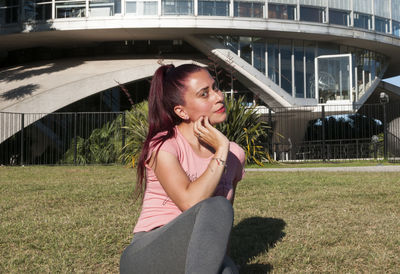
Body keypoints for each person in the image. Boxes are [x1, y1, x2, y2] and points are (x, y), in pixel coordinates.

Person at [120, 63, 245, 274]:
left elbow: (221, 231)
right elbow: (191, 202)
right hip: (147, 255)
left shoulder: (235, 155)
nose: (218, 97)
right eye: (204, 94)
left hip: (195, 257)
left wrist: (223, 263)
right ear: (181, 111)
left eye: (214, 88)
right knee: (217, 206)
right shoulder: (164, 146)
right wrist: (221, 148)